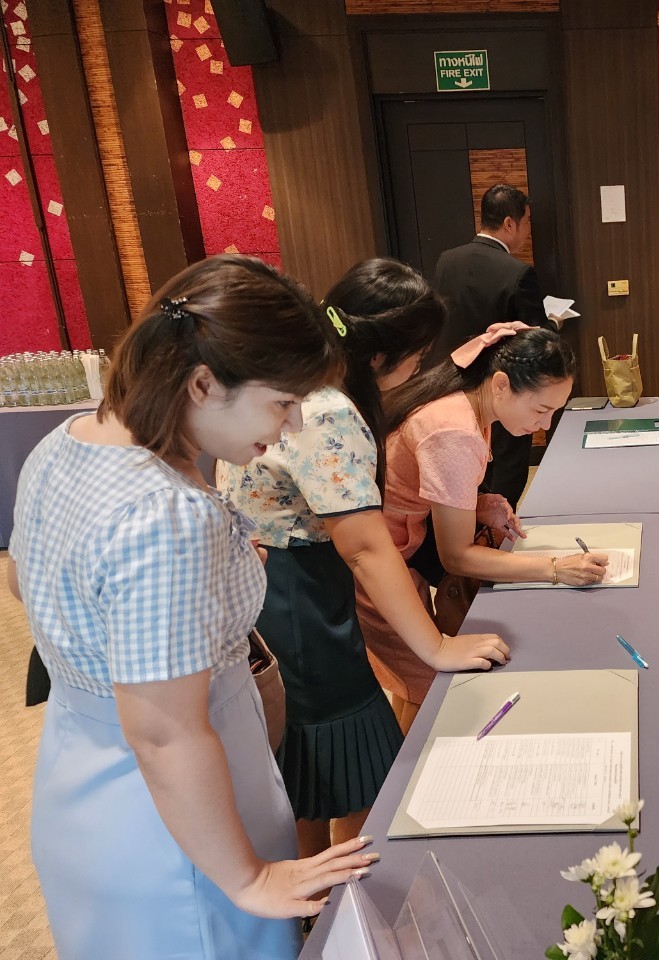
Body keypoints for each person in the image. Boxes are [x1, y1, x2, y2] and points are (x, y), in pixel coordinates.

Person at [5, 255, 377, 959]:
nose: (293, 425)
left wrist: (193, 597)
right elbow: (164, 733)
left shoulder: (66, 441)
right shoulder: (167, 514)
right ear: (203, 383)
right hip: (181, 825)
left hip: (79, 779)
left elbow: (25, 582)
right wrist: (247, 877)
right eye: (282, 402)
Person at [218, 258, 509, 858]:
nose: (419, 369)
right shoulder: (329, 408)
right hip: (298, 590)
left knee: (301, 755)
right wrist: (437, 645)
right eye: (418, 355)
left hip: (273, 576)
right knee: (340, 749)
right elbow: (365, 546)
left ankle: (313, 883)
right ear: (379, 355)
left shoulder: (299, 380)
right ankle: (334, 890)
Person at [360, 324, 607, 731]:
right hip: (376, 564)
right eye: (540, 410)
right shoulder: (455, 430)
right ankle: (407, 770)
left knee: (415, 685)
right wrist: (555, 568)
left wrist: (474, 505)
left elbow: (417, 485)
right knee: (428, 687)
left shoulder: (464, 402)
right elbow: (456, 557)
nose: (544, 425)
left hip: (397, 553)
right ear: (501, 385)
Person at [432, 183, 556, 508]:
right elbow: (535, 337)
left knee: (467, 462)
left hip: (452, 378)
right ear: (509, 223)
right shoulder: (518, 273)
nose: (528, 231)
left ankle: (473, 514)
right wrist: (555, 322)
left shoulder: (446, 261)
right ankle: (502, 519)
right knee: (509, 460)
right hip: (503, 384)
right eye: (527, 222)